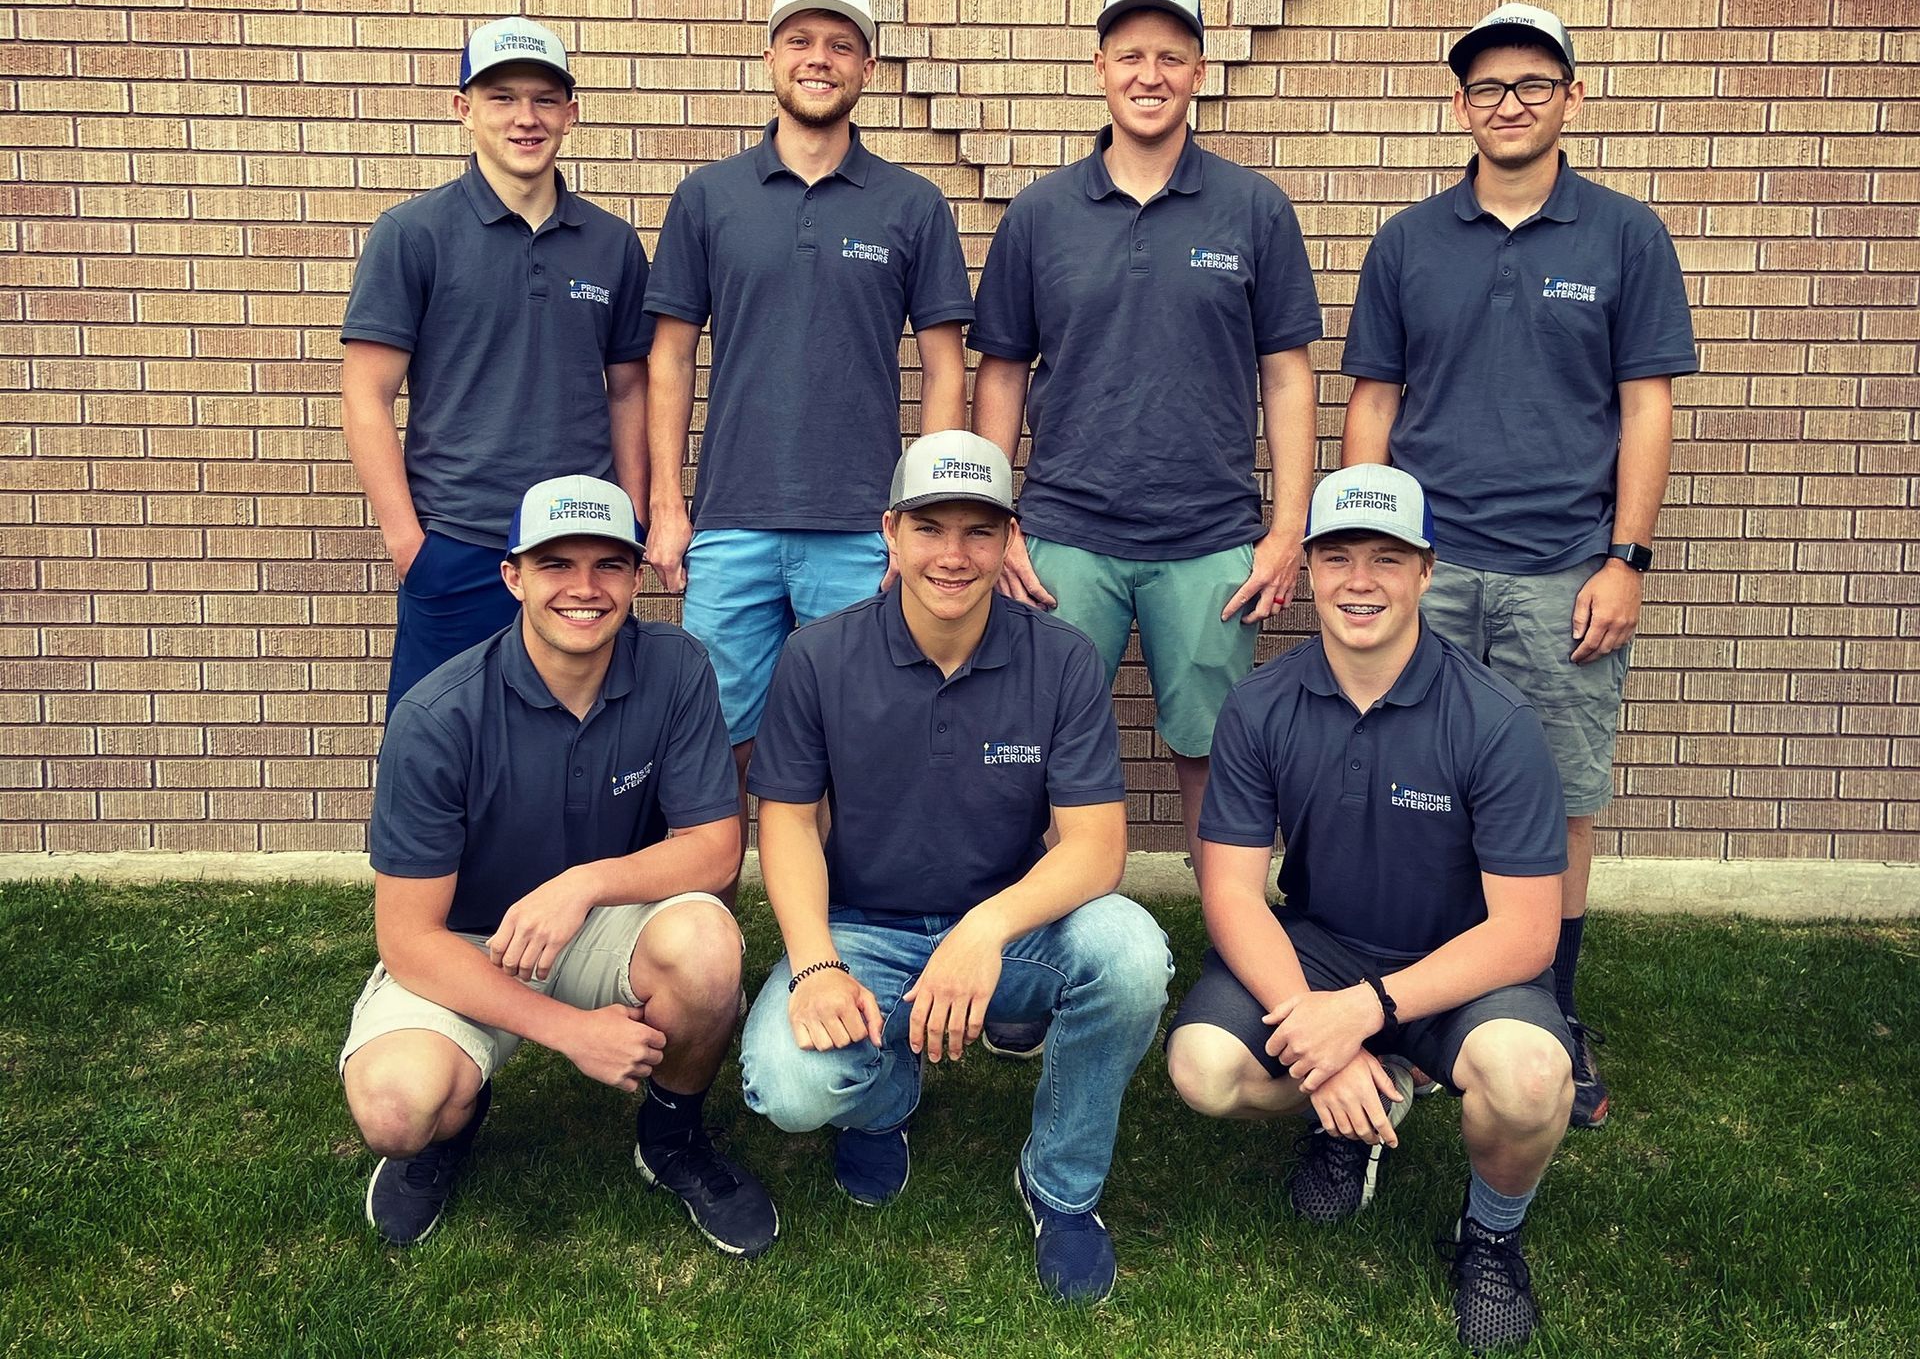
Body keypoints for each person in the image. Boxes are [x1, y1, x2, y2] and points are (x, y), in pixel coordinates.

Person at [1341, 2, 1696, 1128]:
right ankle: (1401, 1009)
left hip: (1562, 573)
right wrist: (1368, 552)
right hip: (1429, 574)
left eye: (1532, 85)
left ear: (1571, 98)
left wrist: (1626, 557)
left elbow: (1647, 405)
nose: (1509, 104)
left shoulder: (1625, 237)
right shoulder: (1408, 242)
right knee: (1397, 791)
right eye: (1488, 88)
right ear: (1461, 107)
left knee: (1560, 800)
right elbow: (1374, 402)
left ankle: (1549, 1008)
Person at [737, 431, 1172, 1304]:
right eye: (931, 527)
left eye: (980, 531)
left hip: (1009, 935)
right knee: (786, 1084)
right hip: (866, 932)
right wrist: (818, 964)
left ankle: (1061, 1187)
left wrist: (986, 927)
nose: (954, 554)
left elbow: (1096, 846)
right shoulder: (819, 657)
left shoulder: (1062, 659)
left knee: (1131, 955)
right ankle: (887, 1099)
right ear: (890, 533)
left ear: (1011, 541)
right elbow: (783, 822)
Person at [1166, 464, 1574, 1354]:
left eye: (1388, 558)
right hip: (1319, 949)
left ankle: (1490, 1238)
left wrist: (1363, 1015)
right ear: (1308, 569)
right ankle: (1356, 1106)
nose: (1361, 581)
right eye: (1339, 555)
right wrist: (1326, 1046)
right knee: (1202, 1067)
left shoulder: (1495, 721)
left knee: (1533, 1081)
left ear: (1427, 572)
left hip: (1454, 969)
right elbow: (1230, 888)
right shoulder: (1261, 705)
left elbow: (1527, 932)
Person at [339, 474, 777, 1260]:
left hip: (606, 925)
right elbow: (408, 938)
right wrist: (569, 1031)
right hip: (470, 942)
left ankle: (672, 1139)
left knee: (708, 950)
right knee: (395, 1111)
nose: (584, 588)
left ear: (637, 578)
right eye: (556, 564)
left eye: (608, 564)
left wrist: (583, 885)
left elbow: (714, 850)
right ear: (513, 577)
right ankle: (454, 1124)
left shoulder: (675, 668)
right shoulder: (438, 716)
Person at [971, 0, 1321, 882]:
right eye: (1131, 55)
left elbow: (1287, 373)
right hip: (1064, 534)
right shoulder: (1042, 213)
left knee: (1215, 753)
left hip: (1208, 537)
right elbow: (1001, 371)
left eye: (1171, 55)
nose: (1150, 73)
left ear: (1200, 71)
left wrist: (1288, 529)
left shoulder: (1254, 208)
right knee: (1040, 752)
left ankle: (1234, 962)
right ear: (1100, 68)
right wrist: (999, 518)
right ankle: (1044, 959)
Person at [644, 0, 974, 840]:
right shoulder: (707, 198)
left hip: (860, 523)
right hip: (732, 520)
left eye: (839, 45)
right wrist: (669, 506)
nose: (818, 60)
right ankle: (707, 909)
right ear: (770, 59)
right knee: (718, 735)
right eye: (800, 41)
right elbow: (669, 357)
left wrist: (924, 517)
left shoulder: (913, 205)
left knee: (858, 732)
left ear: (866, 66)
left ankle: (845, 913)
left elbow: (946, 368)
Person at [341, 17, 652, 711]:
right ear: (465, 109)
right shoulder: (412, 235)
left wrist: (628, 523)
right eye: (502, 97)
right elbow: (366, 395)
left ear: (571, 114)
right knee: (438, 757)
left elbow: (630, 391)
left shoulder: (612, 244)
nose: (525, 118)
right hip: (457, 543)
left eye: (544, 99)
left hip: (580, 548)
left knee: (584, 747)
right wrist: (407, 545)